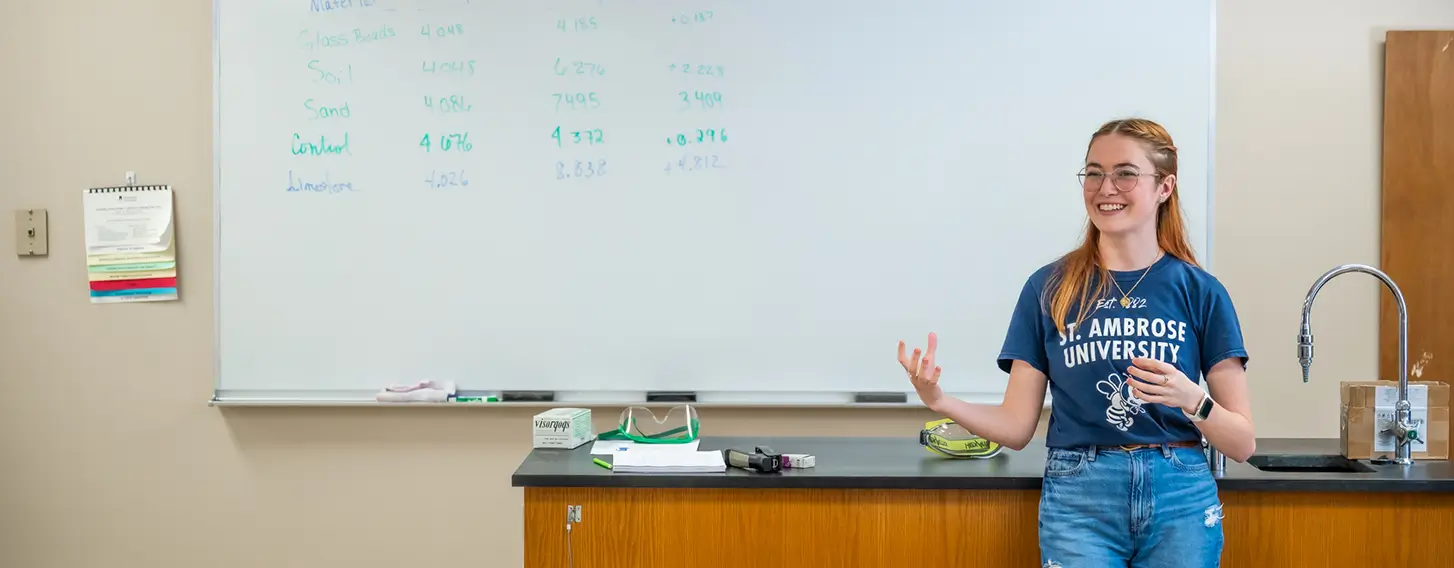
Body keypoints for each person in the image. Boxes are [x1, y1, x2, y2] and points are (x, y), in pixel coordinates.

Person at [897, 117, 1255, 568]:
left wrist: (1192, 399)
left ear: (1165, 187)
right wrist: (940, 401)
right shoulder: (1048, 287)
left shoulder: (1201, 292)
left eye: (1125, 173)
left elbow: (1242, 444)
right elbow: (1016, 426)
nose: (1105, 187)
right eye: (1093, 172)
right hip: (1080, 493)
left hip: (1179, 492)